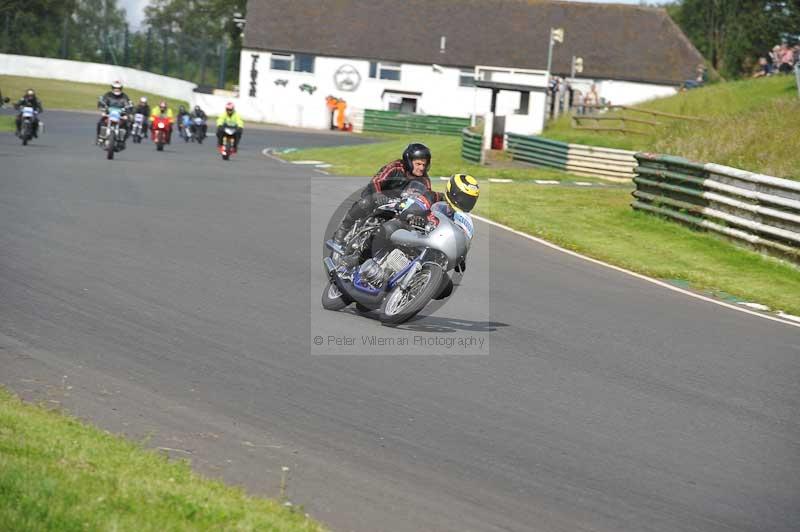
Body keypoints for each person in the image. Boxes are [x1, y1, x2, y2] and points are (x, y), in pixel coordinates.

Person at [332, 143, 440, 245]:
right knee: (366, 202)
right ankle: (343, 229)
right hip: (379, 196)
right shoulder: (395, 167)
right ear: (409, 161)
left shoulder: (424, 179)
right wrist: (379, 195)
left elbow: (425, 199)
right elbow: (376, 181)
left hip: (400, 206)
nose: (421, 168)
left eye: (424, 164)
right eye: (418, 164)